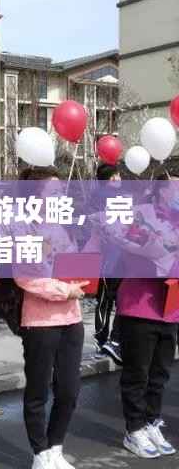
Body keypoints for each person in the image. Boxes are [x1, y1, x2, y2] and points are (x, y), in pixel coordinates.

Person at [13, 167, 89, 469]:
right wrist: (64, 290)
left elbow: (75, 265)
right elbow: (25, 277)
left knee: (69, 389)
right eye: (53, 191)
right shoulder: (22, 228)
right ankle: (40, 452)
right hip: (40, 323)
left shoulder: (65, 226)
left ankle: (56, 446)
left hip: (71, 320)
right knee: (38, 390)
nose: (60, 195)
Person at [111, 172, 179, 458]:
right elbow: (125, 249)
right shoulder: (140, 215)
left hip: (170, 309)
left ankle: (152, 422)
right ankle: (134, 429)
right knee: (137, 373)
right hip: (140, 305)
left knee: (160, 374)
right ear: (161, 191)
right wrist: (153, 253)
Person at [91, 164, 123, 364]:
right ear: (111, 178)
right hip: (112, 258)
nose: (120, 179)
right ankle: (110, 341)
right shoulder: (108, 197)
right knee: (112, 301)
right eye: (118, 175)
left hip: (110, 258)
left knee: (104, 302)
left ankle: (104, 341)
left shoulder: (96, 197)